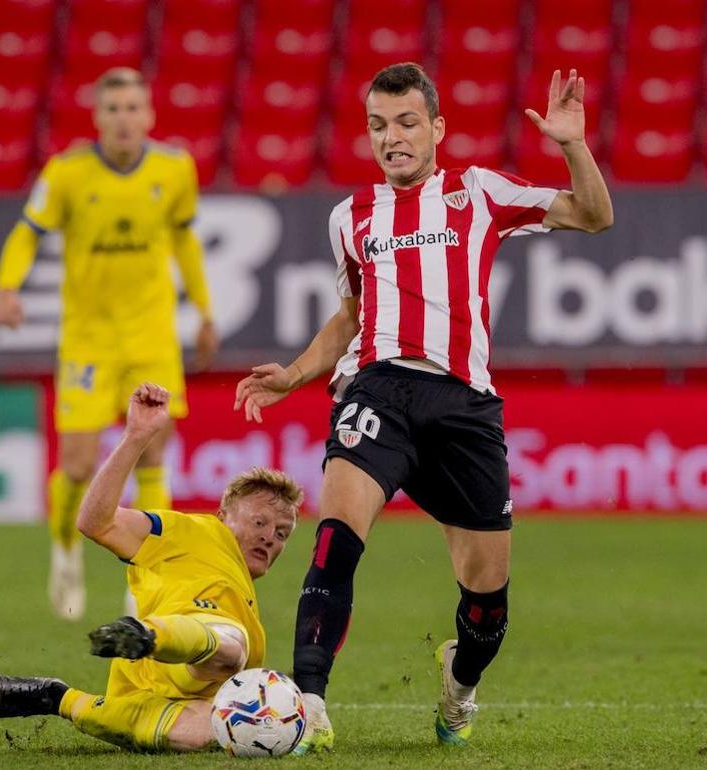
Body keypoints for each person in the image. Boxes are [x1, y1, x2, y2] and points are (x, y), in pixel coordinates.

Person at [234, 63, 613, 752]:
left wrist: (571, 144)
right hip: (377, 389)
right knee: (335, 537)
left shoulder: (477, 193)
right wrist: (293, 373)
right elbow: (352, 314)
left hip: (465, 404)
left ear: (437, 128)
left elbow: (594, 215)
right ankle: (307, 702)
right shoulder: (350, 218)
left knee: (487, 597)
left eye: (407, 122)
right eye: (378, 126)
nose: (392, 138)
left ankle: (459, 685)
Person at [0, 67, 219, 620]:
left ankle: (147, 577)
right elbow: (28, 231)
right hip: (88, 342)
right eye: (112, 108)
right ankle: (66, 548)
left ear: (149, 115)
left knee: (155, 450)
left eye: (132, 107)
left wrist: (205, 310)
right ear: (97, 117)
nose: (123, 118)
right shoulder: (68, 173)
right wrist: (6, 288)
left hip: (151, 335)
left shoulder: (175, 168)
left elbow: (185, 238)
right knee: (75, 466)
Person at [0, 383, 302, 752]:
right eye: (259, 523)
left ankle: (59, 698)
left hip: (159, 694)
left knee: (218, 733)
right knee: (232, 647)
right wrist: (135, 437)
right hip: (168, 647)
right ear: (222, 516)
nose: (271, 538)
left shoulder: (247, 604)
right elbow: (96, 522)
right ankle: (150, 635)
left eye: (282, 533)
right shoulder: (193, 531)